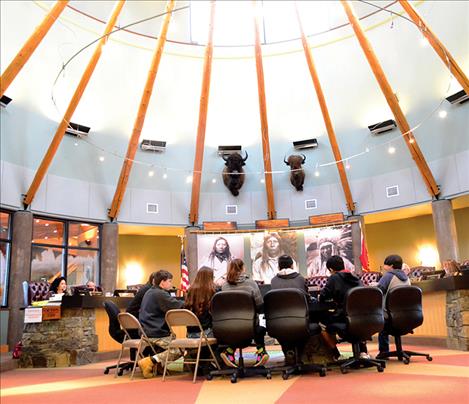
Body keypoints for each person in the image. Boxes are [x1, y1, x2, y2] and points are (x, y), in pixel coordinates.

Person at [220, 258, 269, 368]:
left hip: (229, 325)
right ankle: (261, 351)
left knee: (239, 326)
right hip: (250, 324)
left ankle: (229, 352)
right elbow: (259, 305)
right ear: (243, 268)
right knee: (260, 321)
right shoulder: (251, 284)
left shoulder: (224, 286)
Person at [318, 255, 369, 360]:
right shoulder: (356, 277)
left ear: (331, 269)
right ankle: (363, 352)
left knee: (321, 325)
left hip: (344, 317)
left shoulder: (334, 278)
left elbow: (323, 296)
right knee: (358, 325)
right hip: (362, 317)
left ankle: (337, 355)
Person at [137, 270, 184, 378]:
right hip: (156, 333)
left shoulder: (150, 292)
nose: (171, 284)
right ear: (162, 282)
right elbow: (178, 305)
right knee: (180, 349)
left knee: (174, 341)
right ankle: (150, 361)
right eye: (170, 281)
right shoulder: (160, 294)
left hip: (146, 331)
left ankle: (156, 366)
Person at [376, 254, 411, 359]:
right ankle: (399, 351)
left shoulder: (388, 276)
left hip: (390, 316)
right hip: (406, 315)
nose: (384, 267)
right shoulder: (407, 278)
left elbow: (378, 292)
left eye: (385, 265)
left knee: (381, 325)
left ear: (391, 266)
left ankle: (384, 352)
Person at [184, 266, 216, 338]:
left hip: (190, 334)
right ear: (210, 278)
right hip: (207, 333)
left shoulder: (190, 291)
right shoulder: (213, 291)